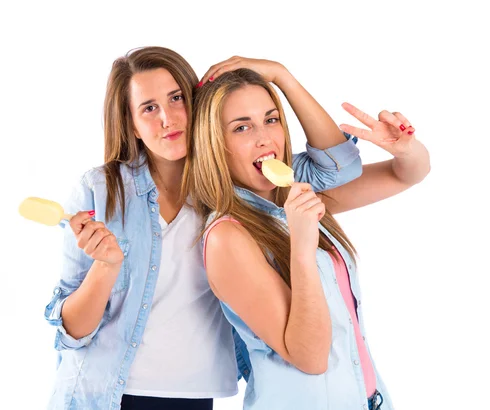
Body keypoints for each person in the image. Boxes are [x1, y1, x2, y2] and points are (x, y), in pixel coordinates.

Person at [43, 47, 364, 410]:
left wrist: (280, 74)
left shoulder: (235, 184)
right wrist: (105, 266)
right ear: (130, 122)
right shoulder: (99, 190)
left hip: (194, 398)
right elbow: (71, 332)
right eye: (149, 108)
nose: (168, 118)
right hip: (101, 396)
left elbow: (339, 168)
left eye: (177, 98)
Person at [185, 68, 430, 410]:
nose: (264, 139)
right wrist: (302, 248)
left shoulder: (295, 200)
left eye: (271, 120)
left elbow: (405, 175)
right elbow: (311, 357)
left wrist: (405, 148)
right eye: (241, 127)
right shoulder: (228, 236)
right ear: (214, 145)